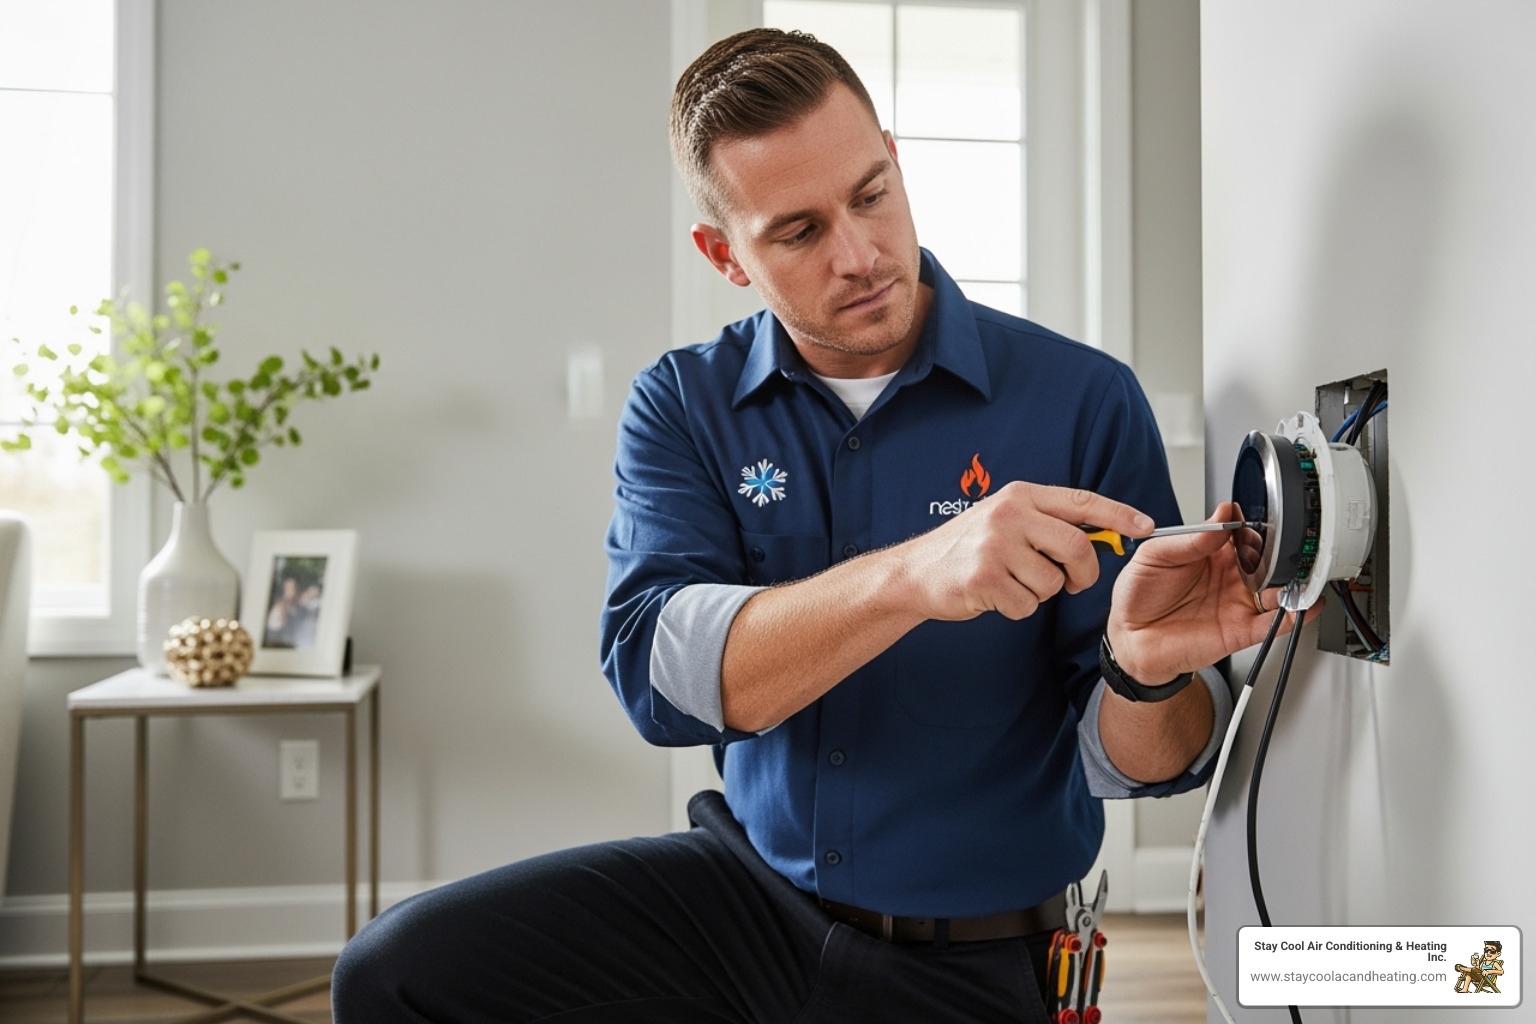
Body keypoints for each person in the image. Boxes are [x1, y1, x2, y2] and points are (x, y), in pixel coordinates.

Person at [333, 28, 1308, 1024]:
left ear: (895, 160)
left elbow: (1148, 762)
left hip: (984, 954)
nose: (860, 254)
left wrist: (1143, 669)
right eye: (797, 232)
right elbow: (663, 680)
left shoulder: (1083, 401)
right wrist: (916, 575)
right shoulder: (683, 403)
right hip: (746, 902)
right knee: (395, 973)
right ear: (725, 255)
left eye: (872, 193)